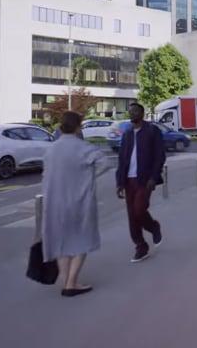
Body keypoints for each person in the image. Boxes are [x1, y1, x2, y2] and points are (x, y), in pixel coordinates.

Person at [42, 111, 111, 297]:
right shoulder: (85, 148)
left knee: (61, 242)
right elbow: (105, 164)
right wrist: (88, 177)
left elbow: (46, 176)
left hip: (55, 201)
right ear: (79, 127)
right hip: (80, 201)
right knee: (82, 239)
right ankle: (72, 283)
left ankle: (66, 281)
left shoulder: (51, 149)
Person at [115, 103, 166, 263]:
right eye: (130, 111)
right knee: (132, 216)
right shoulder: (127, 133)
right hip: (128, 179)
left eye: (135, 111)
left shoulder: (152, 131)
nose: (132, 114)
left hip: (145, 179)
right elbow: (122, 159)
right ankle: (140, 247)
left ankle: (153, 227)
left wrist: (153, 177)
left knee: (139, 210)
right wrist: (119, 182)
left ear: (142, 113)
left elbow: (159, 156)